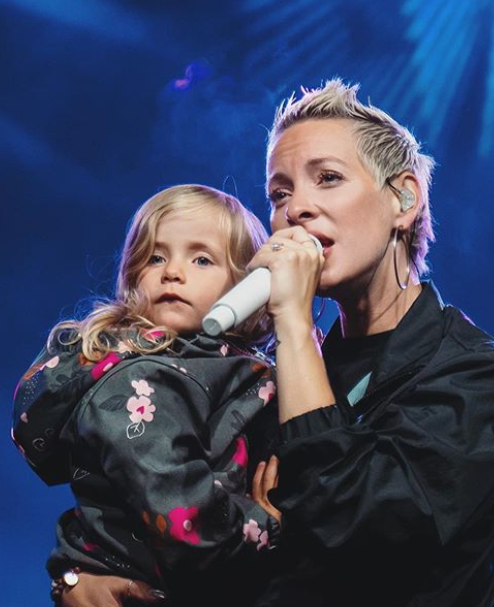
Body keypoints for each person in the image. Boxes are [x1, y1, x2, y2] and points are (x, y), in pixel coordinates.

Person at [59, 79, 494, 607]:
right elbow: (171, 512)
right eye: (280, 194)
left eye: (328, 179)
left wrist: (291, 319)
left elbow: (358, 528)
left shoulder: (471, 377)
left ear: (403, 198)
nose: (297, 210)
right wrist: (85, 573)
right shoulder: (269, 379)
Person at [11, 184, 284, 606]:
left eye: (201, 259)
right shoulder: (143, 379)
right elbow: (181, 514)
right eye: (156, 257)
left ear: (245, 286)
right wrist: (262, 525)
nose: (172, 271)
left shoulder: (212, 367)